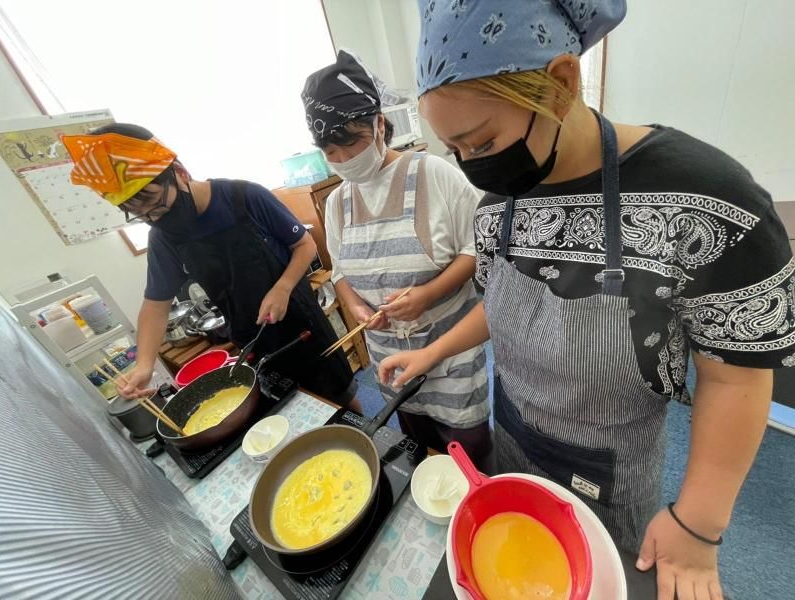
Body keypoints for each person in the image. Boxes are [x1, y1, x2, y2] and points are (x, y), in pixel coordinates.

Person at [380, 2, 795, 598]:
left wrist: (698, 524)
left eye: (482, 141)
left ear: (562, 82)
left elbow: (736, 376)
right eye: (455, 151)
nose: (473, 167)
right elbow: (504, 307)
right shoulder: (498, 208)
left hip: (611, 475)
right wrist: (433, 351)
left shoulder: (705, 199)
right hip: (514, 442)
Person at [61, 124, 357, 406]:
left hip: (300, 323)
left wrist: (282, 287)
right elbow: (155, 305)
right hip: (251, 338)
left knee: (341, 395)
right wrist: (144, 365)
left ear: (179, 172)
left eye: (154, 202)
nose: (154, 217)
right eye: (140, 214)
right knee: (288, 406)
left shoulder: (244, 197)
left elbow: (305, 245)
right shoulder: (164, 236)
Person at [301, 51, 491, 466]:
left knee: (469, 455)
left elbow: (478, 249)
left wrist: (429, 294)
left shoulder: (433, 174)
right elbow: (340, 271)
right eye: (330, 150)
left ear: (378, 123)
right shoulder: (336, 203)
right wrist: (355, 306)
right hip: (389, 358)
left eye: (351, 142)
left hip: (451, 352)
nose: (343, 159)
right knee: (416, 449)